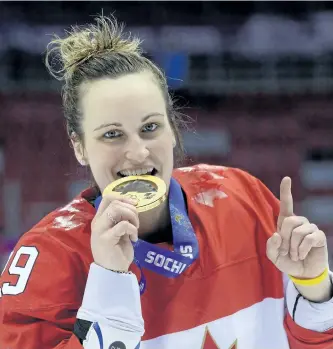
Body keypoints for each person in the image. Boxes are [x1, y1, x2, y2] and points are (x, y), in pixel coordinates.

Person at [1, 15, 333, 349]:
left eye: (150, 127)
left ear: (173, 129)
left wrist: (315, 289)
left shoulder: (243, 201)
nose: (137, 152)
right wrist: (109, 283)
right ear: (79, 146)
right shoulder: (48, 260)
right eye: (112, 134)